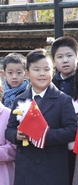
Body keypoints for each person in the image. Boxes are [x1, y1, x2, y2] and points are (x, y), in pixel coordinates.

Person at [5, 49, 77, 185]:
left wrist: (43, 135)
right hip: (26, 169)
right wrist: (17, 135)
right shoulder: (19, 100)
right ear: (27, 74)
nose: (42, 74)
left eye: (47, 69)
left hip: (52, 168)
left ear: (53, 72)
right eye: (37, 69)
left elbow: (71, 131)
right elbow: (9, 130)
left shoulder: (63, 100)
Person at [51, 36, 78, 184]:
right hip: (57, 137)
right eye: (60, 57)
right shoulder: (50, 83)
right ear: (54, 60)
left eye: (69, 55)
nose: (65, 60)